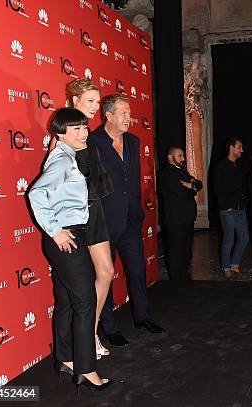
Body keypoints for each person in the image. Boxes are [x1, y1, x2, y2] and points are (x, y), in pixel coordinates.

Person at [28, 108, 112, 393]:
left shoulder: (68, 156)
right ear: (60, 134)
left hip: (70, 236)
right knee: (85, 303)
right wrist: (55, 231)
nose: (83, 132)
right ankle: (87, 369)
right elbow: (37, 194)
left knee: (66, 302)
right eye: (75, 129)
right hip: (68, 239)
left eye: (84, 127)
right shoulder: (63, 159)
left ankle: (65, 359)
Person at [92, 94, 165, 347]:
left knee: (137, 270)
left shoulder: (134, 142)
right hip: (105, 222)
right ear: (108, 115)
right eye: (123, 113)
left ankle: (142, 316)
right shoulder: (93, 142)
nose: (129, 117)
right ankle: (108, 326)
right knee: (105, 275)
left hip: (131, 220)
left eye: (129, 112)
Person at [63, 79, 115, 360]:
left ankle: (90, 333)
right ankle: (85, 339)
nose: (95, 107)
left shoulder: (87, 135)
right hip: (78, 215)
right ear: (74, 102)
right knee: (82, 284)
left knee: (106, 272)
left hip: (95, 211)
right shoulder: (64, 135)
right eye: (90, 102)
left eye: (97, 102)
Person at [159, 146, 202, 282]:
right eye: (180, 156)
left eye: (183, 155)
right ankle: (176, 280)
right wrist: (192, 188)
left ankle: (184, 276)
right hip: (175, 219)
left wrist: (190, 185)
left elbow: (199, 184)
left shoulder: (183, 171)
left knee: (186, 250)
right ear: (170, 157)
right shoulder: (167, 174)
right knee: (176, 250)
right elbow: (181, 192)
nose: (183, 158)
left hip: (187, 217)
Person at [214, 137, 250, 279]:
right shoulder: (221, 165)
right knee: (229, 239)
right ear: (231, 148)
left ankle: (235, 264)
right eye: (239, 147)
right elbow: (217, 188)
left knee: (244, 237)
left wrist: (244, 201)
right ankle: (226, 266)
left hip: (240, 208)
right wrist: (225, 206)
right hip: (228, 209)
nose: (242, 150)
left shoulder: (238, 166)